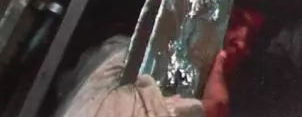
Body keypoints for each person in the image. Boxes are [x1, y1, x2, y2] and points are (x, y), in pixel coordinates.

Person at [53, 7, 264, 117]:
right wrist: (208, 109)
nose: (241, 42)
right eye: (234, 21)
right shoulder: (123, 56)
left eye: (252, 39)